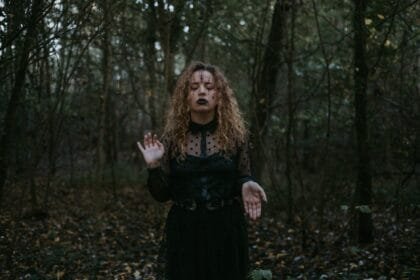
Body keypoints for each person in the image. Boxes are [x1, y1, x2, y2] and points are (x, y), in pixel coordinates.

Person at [137, 61, 267, 280]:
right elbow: (162, 195)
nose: (202, 91)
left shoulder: (236, 137)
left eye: (209, 86)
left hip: (226, 229)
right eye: (194, 87)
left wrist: (247, 183)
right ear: (185, 97)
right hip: (185, 230)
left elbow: (241, 175)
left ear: (219, 96)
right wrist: (153, 167)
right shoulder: (171, 139)